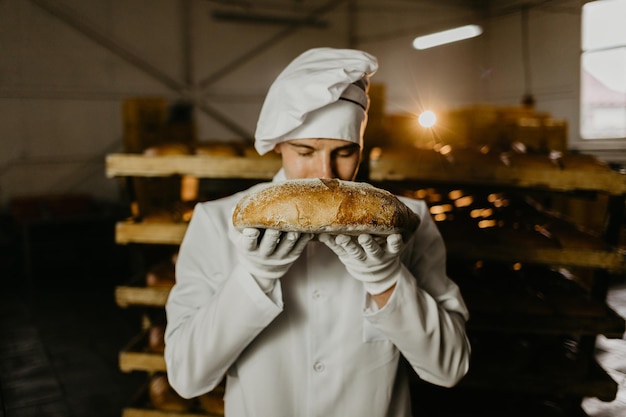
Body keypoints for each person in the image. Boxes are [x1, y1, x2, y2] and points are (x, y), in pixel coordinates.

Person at [164, 47, 471, 417]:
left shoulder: (409, 222)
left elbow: (449, 368)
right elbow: (186, 377)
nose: (325, 172)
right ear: (279, 143)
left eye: (344, 152)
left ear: (361, 148)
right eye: (305, 151)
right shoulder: (216, 222)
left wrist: (388, 279)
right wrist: (253, 278)